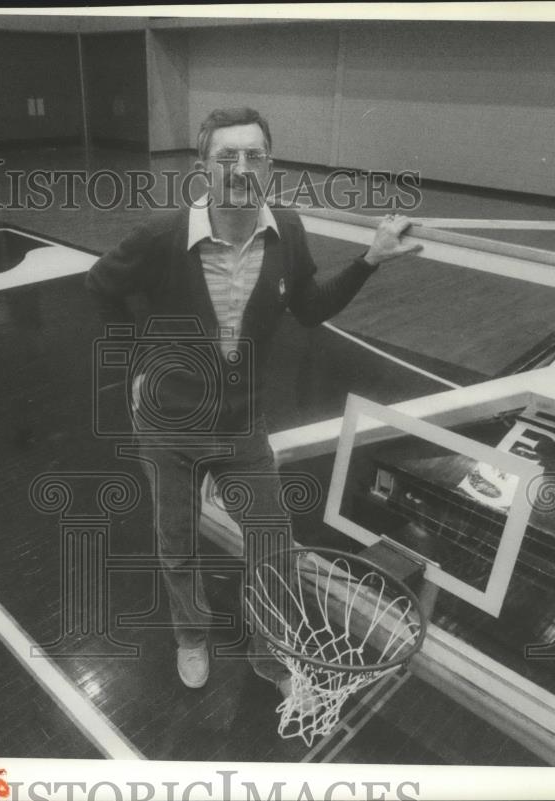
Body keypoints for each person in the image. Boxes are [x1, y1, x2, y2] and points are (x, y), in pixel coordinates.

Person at [85, 107, 422, 693]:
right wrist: (137, 361)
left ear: (271, 165)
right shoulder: (164, 237)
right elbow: (100, 286)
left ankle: (270, 653)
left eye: (255, 155)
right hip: (168, 427)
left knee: (272, 544)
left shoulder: (286, 231)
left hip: (241, 427)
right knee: (177, 543)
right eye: (226, 156)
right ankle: (192, 636)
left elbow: (311, 307)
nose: (241, 168)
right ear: (202, 169)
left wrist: (369, 260)